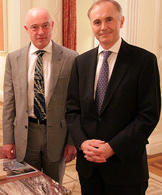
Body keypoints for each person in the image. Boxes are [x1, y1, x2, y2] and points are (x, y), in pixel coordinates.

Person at [65, 0, 161, 194]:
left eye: (109, 19)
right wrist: (82, 142)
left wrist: (113, 147)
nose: (103, 27)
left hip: (125, 167)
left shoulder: (143, 61)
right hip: (89, 167)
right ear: (91, 25)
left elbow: (148, 116)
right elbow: (72, 111)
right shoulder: (81, 62)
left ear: (121, 21)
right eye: (97, 22)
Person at [2, 7, 78, 183]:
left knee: (54, 184)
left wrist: (72, 141)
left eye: (45, 26)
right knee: (28, 184)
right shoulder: (13, 59)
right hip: (25, 134)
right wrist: (8, 139)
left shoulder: (71, 58)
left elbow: (76, 104)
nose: (41, 32)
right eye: (34, 27)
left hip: (57, 136)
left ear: (52, 25)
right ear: (26, 29)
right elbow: (9, 102)